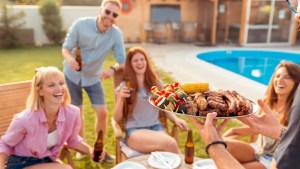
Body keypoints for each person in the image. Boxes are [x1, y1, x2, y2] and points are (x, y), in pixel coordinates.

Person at [0, 67, 104, 169]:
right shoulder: (25, 119)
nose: (59, 88)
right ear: (40, 91)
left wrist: (90, 150)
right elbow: (5, 144)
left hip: (47, 159)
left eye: (61, 83)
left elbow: (73, 139)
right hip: (21, 162)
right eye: (51, 85)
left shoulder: (72, 113)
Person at [61, 0, 125, 162]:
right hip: (72, 75)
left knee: (102, 113)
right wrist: (69, 59)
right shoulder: (80, 25)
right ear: (100, 10)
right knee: (77, 112)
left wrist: (112, 69)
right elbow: (66, 48)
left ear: (117, 17)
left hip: (93, 77)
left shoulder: (116, 34)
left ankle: (99, 148)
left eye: (114, 15)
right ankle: (82, 149)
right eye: (107, 12)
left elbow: (122, 61)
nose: (110, 17)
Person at [222, 61, 300, 169]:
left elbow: (294, 141)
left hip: (274, 157)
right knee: (221, 146)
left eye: (287, 77)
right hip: (258, 148)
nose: (280, 80)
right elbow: (257, 130)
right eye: (277, 76)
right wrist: (232, 132)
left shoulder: (296, 111)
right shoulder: (267, 103)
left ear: (297, 82)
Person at [113, 47, 189, 154]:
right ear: (130, 64)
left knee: (168, 151)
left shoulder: (155, 83)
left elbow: (165, 105)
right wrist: (121, 99)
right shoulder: (125, 86)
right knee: (171, 144)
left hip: (156, 128)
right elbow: (116, 118)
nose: (139, 63)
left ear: (146, 61)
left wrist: (176, 119)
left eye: (142, 59)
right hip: (135, 131)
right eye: (135, 60)